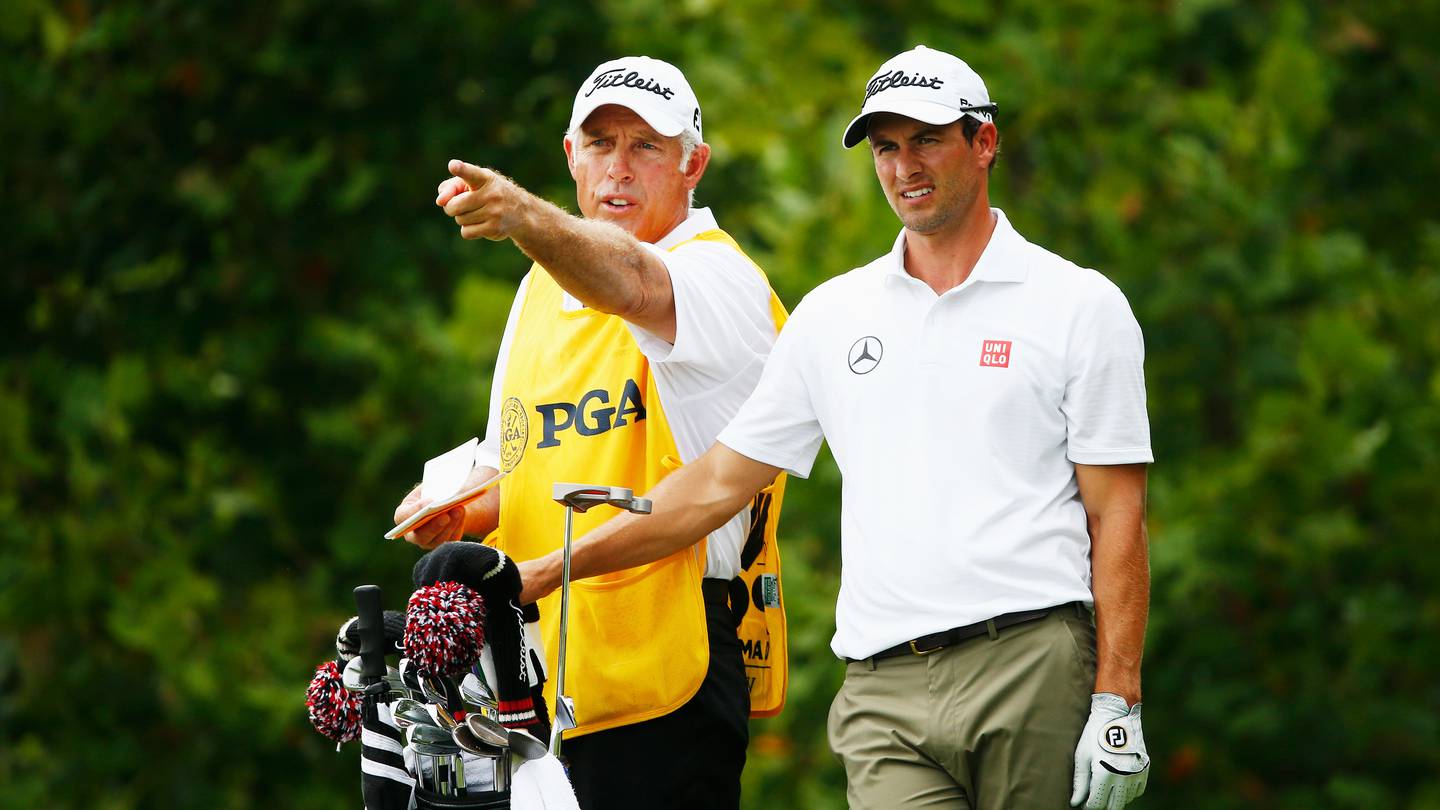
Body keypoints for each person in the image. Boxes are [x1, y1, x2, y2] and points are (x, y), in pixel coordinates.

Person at [518, 45, 1153, 810]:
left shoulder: (1078, 304)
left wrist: (1118, 700)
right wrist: (550, 571)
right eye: (886, 146)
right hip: (882, 688)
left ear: (984, 142)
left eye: (926, 140)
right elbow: (715, 486)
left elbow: (1117, 511)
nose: (903, 166)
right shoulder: (833, 315)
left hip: (1029, 658)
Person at [391, 56, 791, 810]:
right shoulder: (540, 289)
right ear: (571, 155)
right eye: (602, 142)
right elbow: (515, 461)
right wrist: (458, 512)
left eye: (647, 147)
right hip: (540, 680)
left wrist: (522, 216)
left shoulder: (717, 277)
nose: (620, 168)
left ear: (693, 165)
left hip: (669, 671)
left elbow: (633, 281)